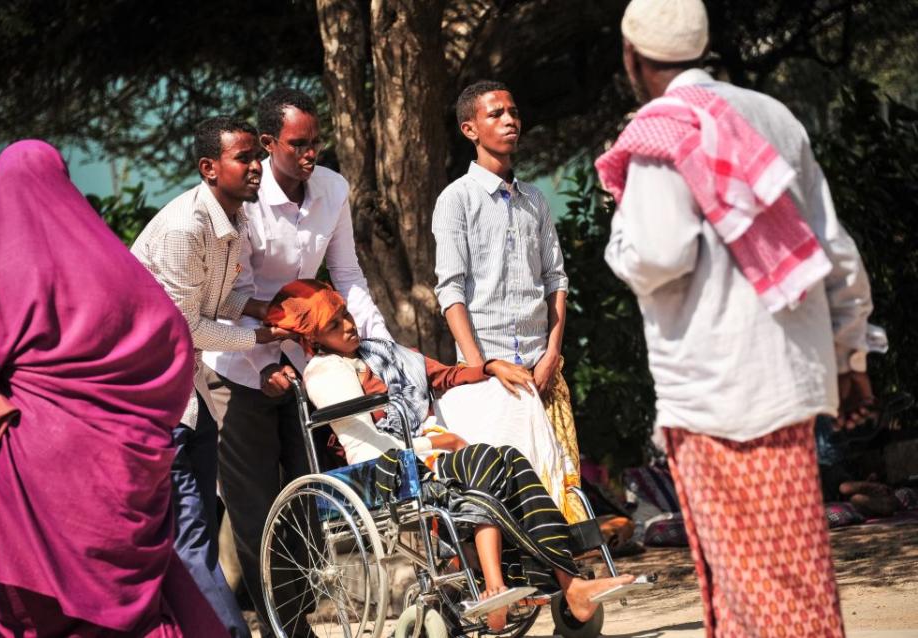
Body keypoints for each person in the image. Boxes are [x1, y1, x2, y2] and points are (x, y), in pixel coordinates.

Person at [599, 0, 875, 635]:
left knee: (756, 586)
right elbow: (834, 250)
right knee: (787, 574)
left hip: (717, 395)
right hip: (789, 379)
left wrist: (618, 244)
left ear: (633, 56)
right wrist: (851, 355)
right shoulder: (770, 115)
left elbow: (656, 255)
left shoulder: (659, 131)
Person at [0, 140, 227, 636]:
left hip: (26, 467)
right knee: (128, 615)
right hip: (118, 470)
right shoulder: (104, 261)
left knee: (39, 619)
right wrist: (145, 422)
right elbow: (170, 333)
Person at [267, 279, 635, 632]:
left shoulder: (381, 351)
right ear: (313, 337)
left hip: (422, 452)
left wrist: (489, 367)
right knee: (487, 462)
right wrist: (434, 446)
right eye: (335, 324)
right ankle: (499, 585)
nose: (348, 325)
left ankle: (561, 585)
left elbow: (442, 375)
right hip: (386, 468)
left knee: (512, 461)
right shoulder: (324, 372)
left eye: (346, 314)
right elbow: (364, 442)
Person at [200, 87, 391, 638]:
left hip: (301, 361)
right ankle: (280, 626)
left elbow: (348, 277)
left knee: (307, 496)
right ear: (267, 144)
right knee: (257, 504)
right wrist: (260, 364)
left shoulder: (333, 188)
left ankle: (297, 615)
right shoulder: (244, 201)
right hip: (236, 364)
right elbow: (230, 295)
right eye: (297, 144)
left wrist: (378, 347)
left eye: (317, 142)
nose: (311, 154)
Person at [132, 116, 279, 637]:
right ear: (209, 168)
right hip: (156, 402)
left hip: (189, 393)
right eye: (244, 157)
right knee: (189, 537)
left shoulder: (234, 219)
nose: (257, 166)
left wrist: (269, 311)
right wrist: (260, 338)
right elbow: (185, 325)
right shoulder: (183, 228)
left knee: (196, 534)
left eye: (257, 156)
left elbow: (219, 299)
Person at [432, 80, 587, 523]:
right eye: (495, 114)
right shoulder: (456, 200)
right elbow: (451, 290)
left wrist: (552, 355)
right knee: (506, 494)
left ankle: (560, 585)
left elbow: (556, 279)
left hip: (542, 367)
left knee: (556, 481)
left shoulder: (535, 200)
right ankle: (516, 586)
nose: (509, 121)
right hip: (493, 372)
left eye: (513, 112)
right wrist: (479, 368)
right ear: (470, 129)